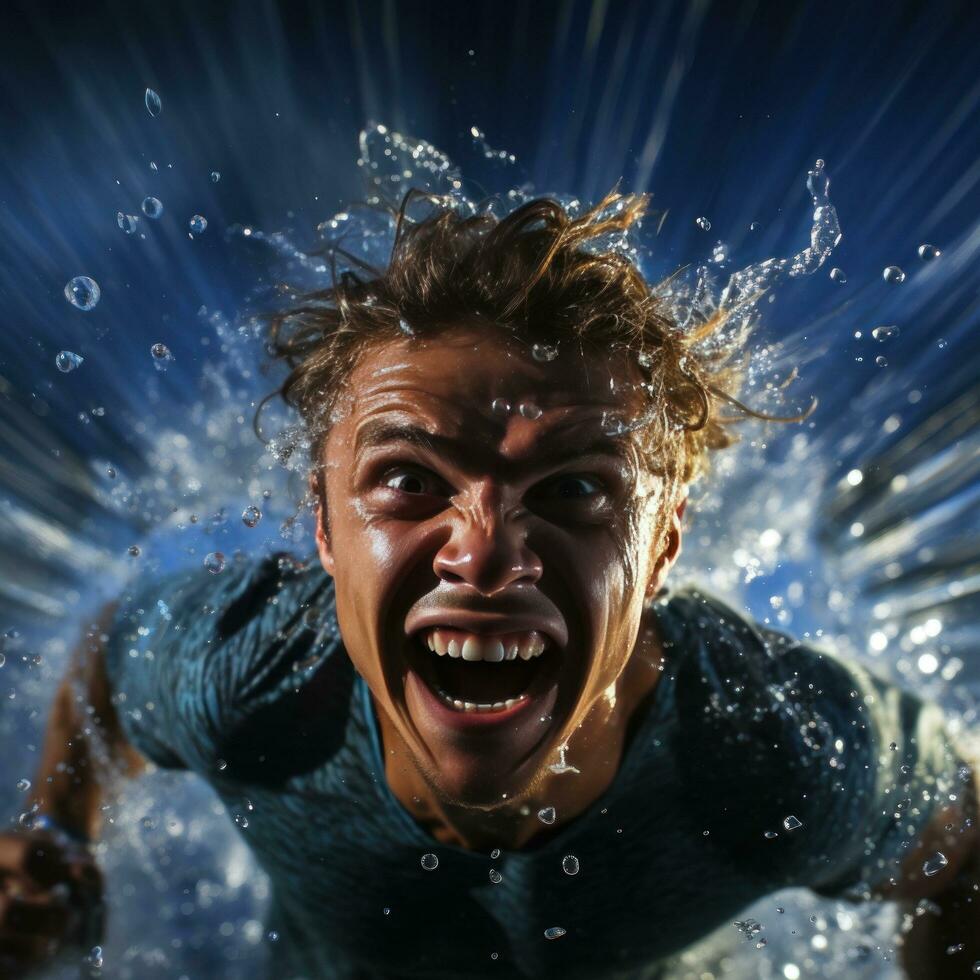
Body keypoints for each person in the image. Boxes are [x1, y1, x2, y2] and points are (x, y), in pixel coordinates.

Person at [1, 190, 977, 980]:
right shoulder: (248, 678)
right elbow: (108, 665)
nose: (486, 556)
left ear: (664, 543)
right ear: (322, 524)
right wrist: (53, 832)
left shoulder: (768, 753)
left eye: (576, 489)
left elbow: (965, 847)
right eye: (410, 481)